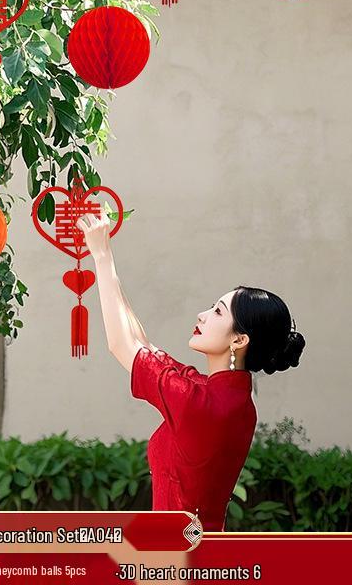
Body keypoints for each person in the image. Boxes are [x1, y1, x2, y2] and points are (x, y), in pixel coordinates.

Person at [76, 212, 306, 531]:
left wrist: (101, 256)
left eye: (217, 312)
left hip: (178, 551)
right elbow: (142, 344)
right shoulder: (232, 400)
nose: (202, 315)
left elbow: (121, 345)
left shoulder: (198, 402)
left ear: (239, 339)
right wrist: (108, 260)